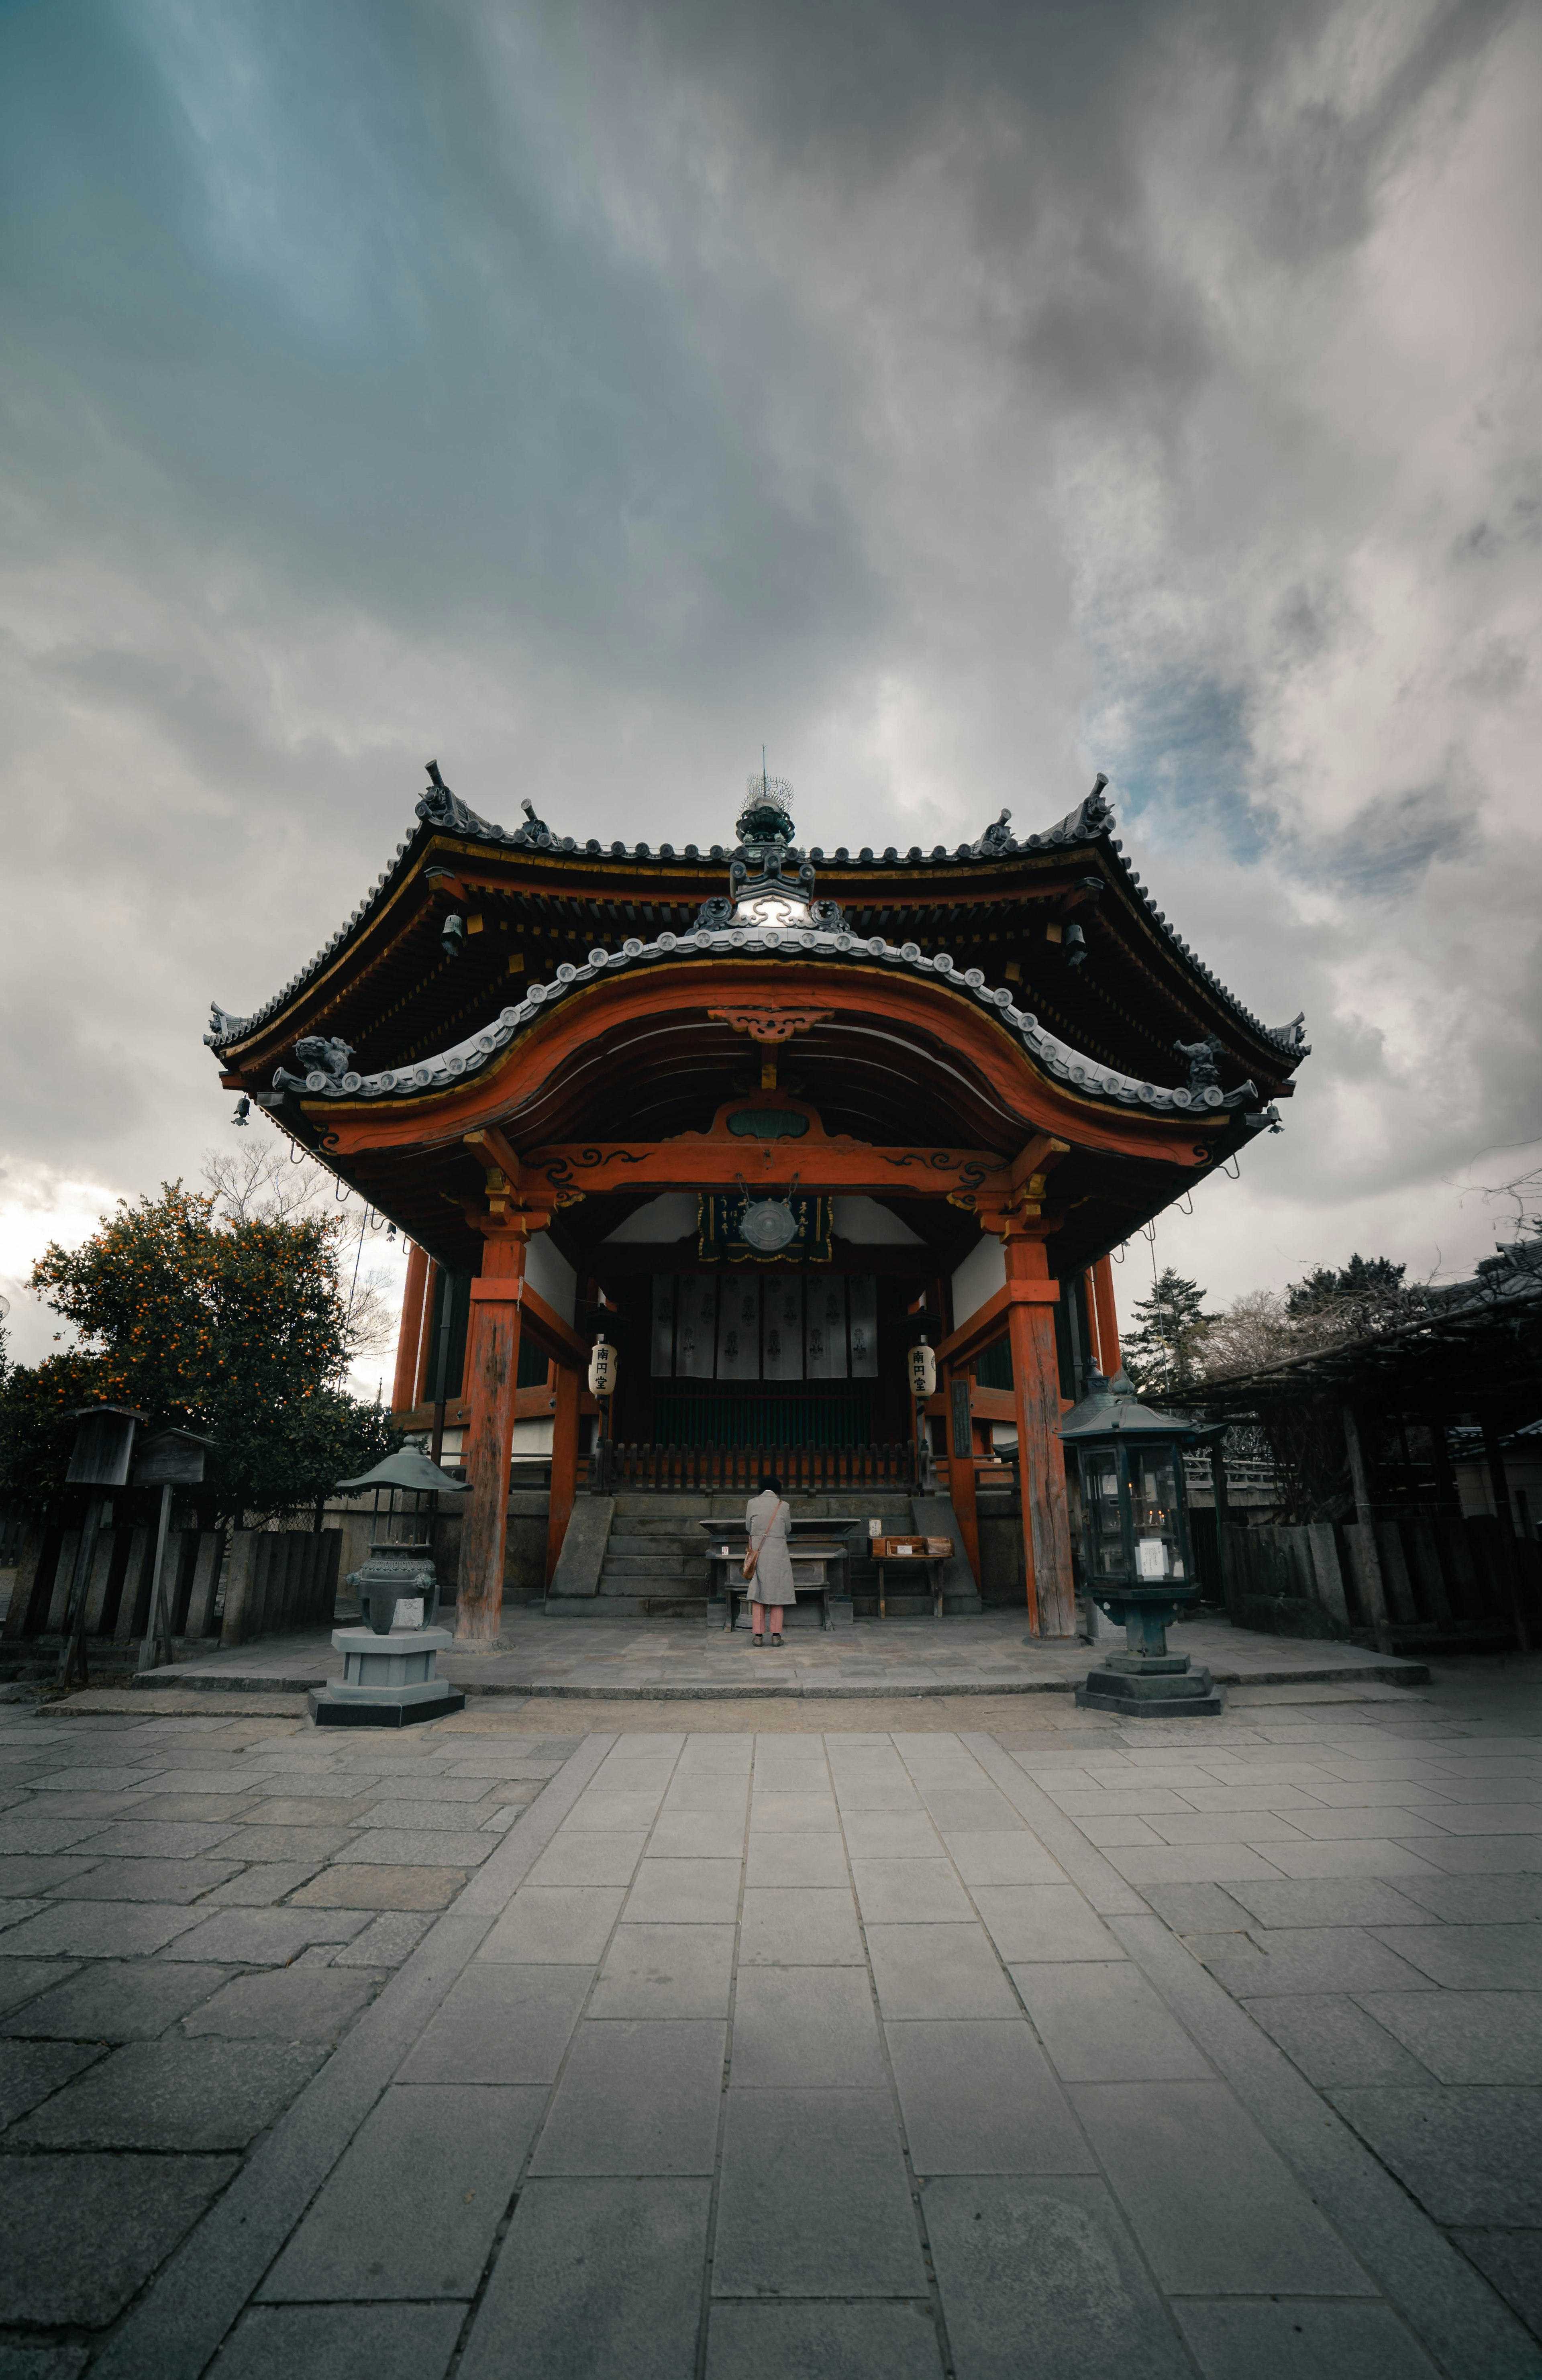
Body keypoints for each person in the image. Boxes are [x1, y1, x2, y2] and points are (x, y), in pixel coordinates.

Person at [744, 1473, 793, 1646]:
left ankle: (758, 1637)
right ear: (778, 1490)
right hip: (778, 1555)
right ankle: (776, 1637)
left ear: (761, 1489)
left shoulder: (752, 1503)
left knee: (759, 1594)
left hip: (759, 1554)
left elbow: (748, 1527)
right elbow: (787, 1529)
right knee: (777, 1594)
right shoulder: (784, 1505)